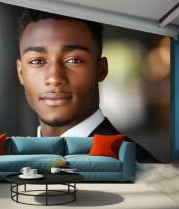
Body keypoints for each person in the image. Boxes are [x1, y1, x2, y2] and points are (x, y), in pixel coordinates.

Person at [15, 8, 159, 163]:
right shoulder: (12, 162)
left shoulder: (141, 167)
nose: (55, 78)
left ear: (101, 70)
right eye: (37, 61)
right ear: (21, 73)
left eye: (74, 60)